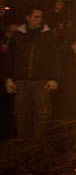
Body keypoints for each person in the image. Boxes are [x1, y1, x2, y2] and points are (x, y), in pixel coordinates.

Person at [3, 7, 62, 140]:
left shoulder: (48, 36)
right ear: (28, 17)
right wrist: (8, 78)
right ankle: (24, 148)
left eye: (41, 17)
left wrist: (54, 78)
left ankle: (39, 148)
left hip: (41, 81)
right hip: (21, 81)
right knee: (21, 115)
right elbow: (11, 57)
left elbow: (55, 58)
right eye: (36, 17)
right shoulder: (18, 35)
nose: (39, 20)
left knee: (42, 116)